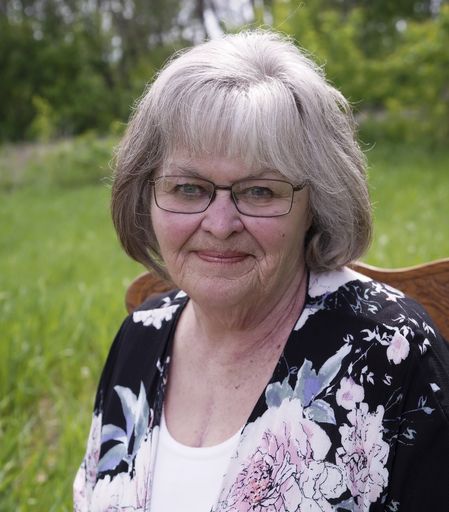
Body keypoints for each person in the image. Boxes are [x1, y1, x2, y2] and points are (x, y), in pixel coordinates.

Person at [74, 30, 449, 511]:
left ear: (316, 205)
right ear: (145, 195)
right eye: (188, 188)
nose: (220, 225)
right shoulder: (139, 335)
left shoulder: (392, 352)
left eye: (259, 192)